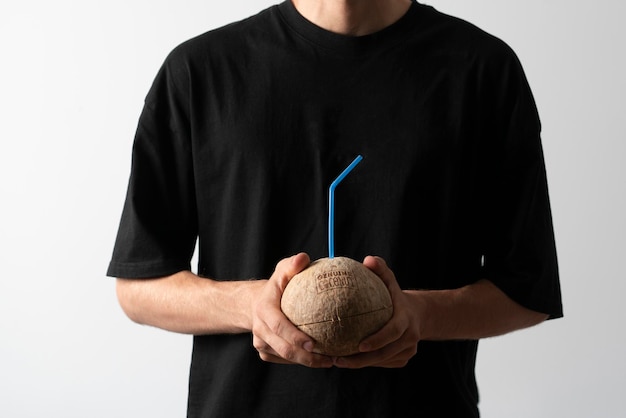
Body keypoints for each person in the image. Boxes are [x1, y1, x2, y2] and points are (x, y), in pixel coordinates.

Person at [107, 0, 563, 416]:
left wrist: (417, 315)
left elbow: (526, 292)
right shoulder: (200, 72)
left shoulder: (483, 71)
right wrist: (250, 306)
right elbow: (140, 286)